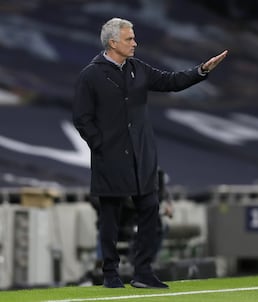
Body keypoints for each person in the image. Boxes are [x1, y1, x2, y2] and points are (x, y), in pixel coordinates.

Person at [73, 17, 227, 289]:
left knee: (149, 211)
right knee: (110, 216)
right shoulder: (91, 75)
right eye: (129, 39)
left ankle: (143, 272)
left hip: (142, 154)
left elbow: (171, 81)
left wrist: (201, 70)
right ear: (113, 42)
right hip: (110, 157)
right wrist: (100, 145)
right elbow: (82, 118)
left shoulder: (138, 69)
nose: (135, 43)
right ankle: (110, 274)